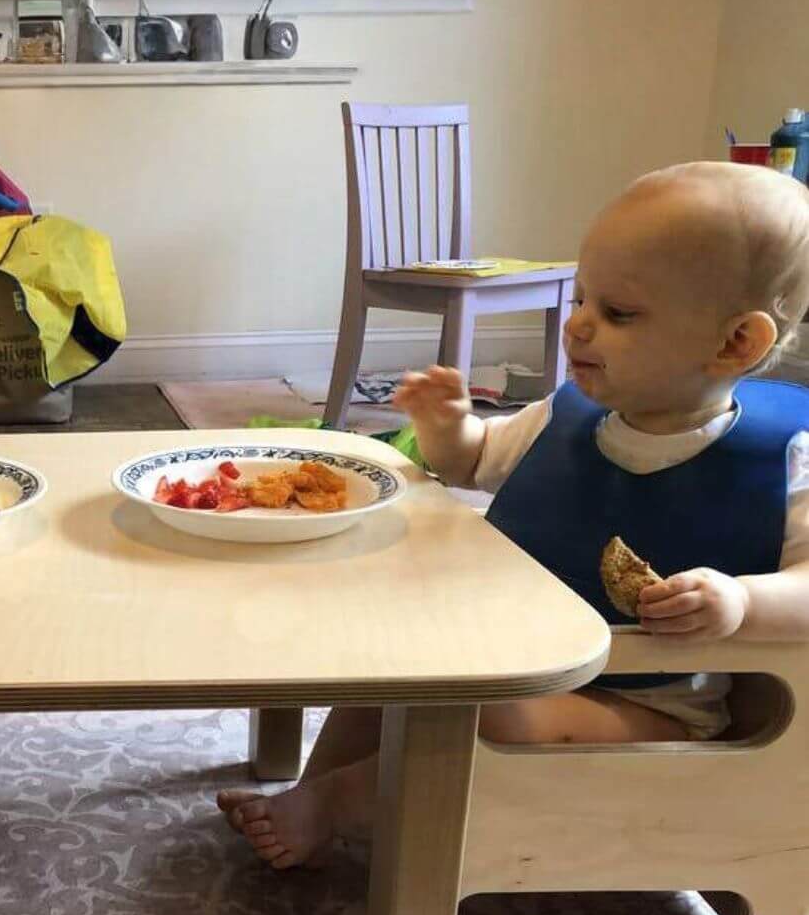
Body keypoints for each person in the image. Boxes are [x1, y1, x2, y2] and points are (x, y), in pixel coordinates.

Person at [220, 161, 809, 869]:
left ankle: (339, 805)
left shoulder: (784, 455)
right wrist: (446, 427)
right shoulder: (565, 413)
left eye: (619, 314)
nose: (579, 325)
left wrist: (740, 600)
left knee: (478, 711)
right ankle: (317, 795)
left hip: (649, 708)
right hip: (518, 658)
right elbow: (474, 461)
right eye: (583, 298)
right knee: (394, 673)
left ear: (735, 342)